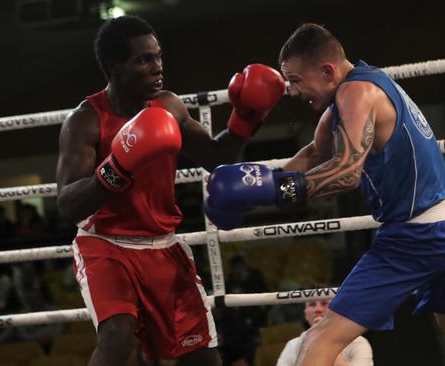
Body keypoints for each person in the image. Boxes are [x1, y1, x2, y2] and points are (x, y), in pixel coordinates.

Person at [203, 23, 445, 366]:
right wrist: (256, 185)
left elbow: (347, 172)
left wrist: (279, 191)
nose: (291, 91)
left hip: (418, 234)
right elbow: (312, 155)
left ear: (326, 70)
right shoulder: (357, 88)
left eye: (295, 80)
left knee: (320, 338)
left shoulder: (356, 94)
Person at [55, 15, 285, 365]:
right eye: (144, 60)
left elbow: (216, 156)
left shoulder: (169, 106)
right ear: (113, 67)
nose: (157, 67)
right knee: (117, 337)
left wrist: (247, 116)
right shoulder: (85, 120)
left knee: (203, 358)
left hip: (163, 246)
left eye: (158, 56)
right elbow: (67, 203)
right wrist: (116, 168)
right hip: (107, 246)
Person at [277, 299, 373, 366]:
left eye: (324, 303)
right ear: (305, 314)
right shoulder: (292, 345)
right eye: (312, 304)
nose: (318, 309)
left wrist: (326, 339)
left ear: (337, 310)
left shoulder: (358, 343)